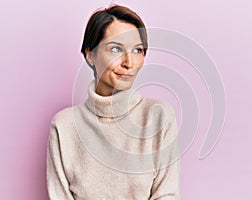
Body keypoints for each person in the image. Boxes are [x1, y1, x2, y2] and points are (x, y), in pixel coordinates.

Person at [47, 4, 180, 200]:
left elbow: (167, 195)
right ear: (90, 54)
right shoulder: (64, 126)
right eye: (116, 48)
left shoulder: (159, 116)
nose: (129, 62)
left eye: (137, 50)